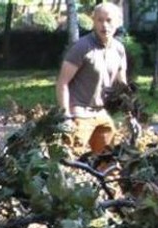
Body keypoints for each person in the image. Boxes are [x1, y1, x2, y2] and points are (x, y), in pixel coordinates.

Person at [55, 2, 128, 156]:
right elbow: (62, 83)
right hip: (79, 113)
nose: (104, 25)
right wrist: (66, 116)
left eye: (109, 20)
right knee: (71, 163)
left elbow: (122, 85)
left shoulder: (119, 49)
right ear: (93, 21)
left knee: (110, 164)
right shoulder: (82, 47)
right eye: (99, 20)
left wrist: (131, 113)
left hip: (102, 113)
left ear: (118, 22)